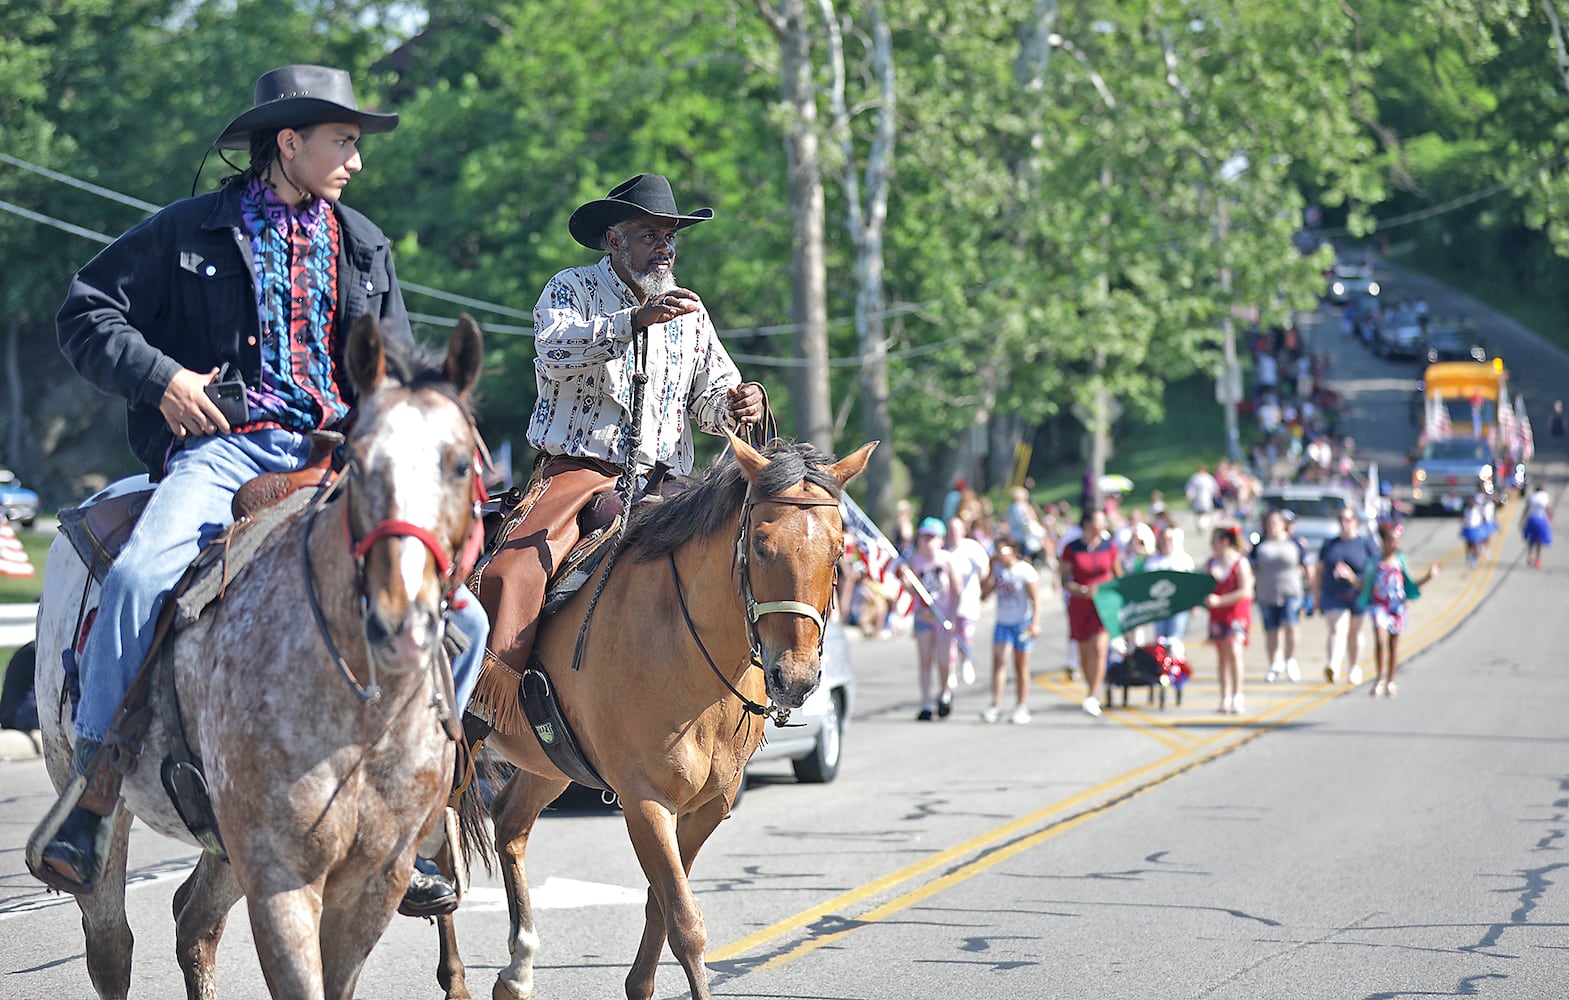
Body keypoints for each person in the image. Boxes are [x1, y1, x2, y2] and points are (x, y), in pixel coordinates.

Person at [39, 65, 488, 912]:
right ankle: (94, 793)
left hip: (335, 462)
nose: (354, 159)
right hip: (222, 451)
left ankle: (420, 819)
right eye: (342, 141)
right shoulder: (185, 233)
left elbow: (390, 373)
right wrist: (164, 378)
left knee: (465, 616)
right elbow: (86, 311)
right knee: (137, 579)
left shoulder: (363, 242)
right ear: (289, 142)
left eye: (354, 143)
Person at [471, 173, 764, 730]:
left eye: (670, 236)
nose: (665, 247)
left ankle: (755, 692)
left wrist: (738, 403)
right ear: (614, 239)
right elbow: (553, 351)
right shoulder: (569, 290)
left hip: (668, 482)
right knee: (513, 571)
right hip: (580, 471)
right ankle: (489, 708)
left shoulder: (690, 312)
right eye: (649, 234)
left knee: (748, 552)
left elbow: (709, 397)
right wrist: (631, 323)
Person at [1357, 522, 1438, 697]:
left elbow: (1411, 585)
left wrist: (1428, 577)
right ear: (1384, 542)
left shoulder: (1401, 562)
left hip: (1397, 606)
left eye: (1397, 541)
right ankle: (1379, 678)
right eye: (1391, 540)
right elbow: (1365, 586)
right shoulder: (1374, 562)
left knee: (1393, 644)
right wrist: (1349, 578)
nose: (1395, 544)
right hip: (1379, 605)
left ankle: (1390, 681)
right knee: (1380, 640)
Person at [1059, 508, 1121, 717]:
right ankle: (1091, 687)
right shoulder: (1072, 548)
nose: (1102, 525)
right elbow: (1066, 579)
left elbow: (1117, 574)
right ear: (1087, 524)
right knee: (1085, 650)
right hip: (1081, 604)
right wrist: (1082, 591)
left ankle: (1094, 695)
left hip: (1104, 606)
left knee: (1100, 647)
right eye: (1098, 521)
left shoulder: (1109, 546)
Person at [902, 518, 961, 720]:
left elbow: (956, 590)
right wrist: (906, 581)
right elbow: (913, 591)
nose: (926, 541)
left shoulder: (946, 560)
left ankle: (945, 693)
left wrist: (953, 616)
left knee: (943, 660)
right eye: (923, 536)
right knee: (925, 660)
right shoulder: (916, 561)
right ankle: (925, 702)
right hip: (923, 617)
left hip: (943, 616)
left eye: (931, 537)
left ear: (941, 539)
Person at [1316, 505, 1379, 686]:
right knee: (1337, 628)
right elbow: (1319, 570)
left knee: (1354, 632)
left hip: (1358, 593)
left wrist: (1352, 577)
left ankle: (1354, 667)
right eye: (1341, 519)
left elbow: (1375, 569)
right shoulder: (1330, 544)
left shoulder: (1365, 544)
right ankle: (1334, 665)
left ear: (1356, 522)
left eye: (1348, 519)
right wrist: (1316, 594)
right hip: (1333, 593)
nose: (1345, 523)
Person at [979, 537, 1040, 724]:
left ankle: (1021, 706)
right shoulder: (997, 570)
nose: (999, 555)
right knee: (999, 662)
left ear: (1013, 551)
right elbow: (985, 594)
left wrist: (1035, 623)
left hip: (1022, 622)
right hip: (1003, 622)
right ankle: (996, 705)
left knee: (1021, 666)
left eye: (1002, 551)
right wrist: (990, 570)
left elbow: (1035, 599)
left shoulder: (1024, 571)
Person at [1251, 510, 1311, 684]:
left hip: (1291, 591)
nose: (1272, 526)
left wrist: (1312, 591)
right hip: (1267, 592)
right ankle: (1274, 664)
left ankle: (1290, 660)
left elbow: (1306, 565)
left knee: (1291, 626)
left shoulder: (1295, 543)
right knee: (1272, 630)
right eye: (1269, 523)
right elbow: (1252, 568)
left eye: (1276, 523)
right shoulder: (1260, 545)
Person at [1204, 525, 1254, 714]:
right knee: (1222, 655)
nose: (1212, 544)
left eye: (1215, 540)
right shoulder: (1211, 564)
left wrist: (1220, 600)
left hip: (1236, 612)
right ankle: (1225, 696)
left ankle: (1238, 696)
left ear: (1225, 541)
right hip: (1218, 614)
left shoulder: (1240, 563)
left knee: (1235, 649)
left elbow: (1245, 591)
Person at [945, 516, 991, 687]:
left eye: (956, 529)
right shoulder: (945, 549)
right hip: (948, 602)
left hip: (967, 599)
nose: (953, 533)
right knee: (949, 637)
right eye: (950, 529)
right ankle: (949, 670)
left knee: (965, 634)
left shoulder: (971, 547)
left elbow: (984, 569)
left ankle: (965, 662)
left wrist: (978, 589)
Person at [1143, 525, 1196, 655]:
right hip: (1160, 607)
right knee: (1161, 640)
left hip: (1179, 606)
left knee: (1175, 640)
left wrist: (1194, 604)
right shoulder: (1152, 561)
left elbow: (1191, 585)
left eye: (1170, 539)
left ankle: (1176, 669)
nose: (1167, 542)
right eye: (1164, 539)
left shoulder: (1183, 560)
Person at [1460, 492, 1496, 568]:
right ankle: (1469, 555)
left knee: (1475, 545)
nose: (1471, 504)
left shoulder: (1478, 509)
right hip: (1468, 528)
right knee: (1469, 544)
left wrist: (1483, 525)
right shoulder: (1466, 510)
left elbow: (1483, 517)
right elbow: (1464, 518)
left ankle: (1475, 558)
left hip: (1476, 529)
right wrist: (1463, 524)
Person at [1522, 485, 1554, 568]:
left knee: (1531, 538)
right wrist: (1550, 520)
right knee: (1539, 541)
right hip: (1541, 519)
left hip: (1532, 519)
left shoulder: (1532, 497)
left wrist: (1522, 520)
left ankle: (1530, 555)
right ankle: (1538, 559)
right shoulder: (1546, 497)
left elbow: (1526, 509)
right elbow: (1549, 509)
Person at [1186, 463, 1220, 533]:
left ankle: (1202, 526)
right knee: (1198, 514)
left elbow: (1214, 488)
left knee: (1205, 513)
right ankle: (1200, 526)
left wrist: (1214, 495)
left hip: (1206, 498)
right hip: (1197, 499)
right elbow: (1190, 489)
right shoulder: (1195, 478)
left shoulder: (1208, 478)